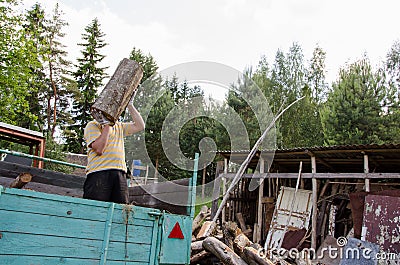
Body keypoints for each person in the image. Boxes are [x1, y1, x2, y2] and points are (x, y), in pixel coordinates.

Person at [83, 103, 145, 204]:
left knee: (120, 212)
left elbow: (140, 126)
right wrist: (106, 125)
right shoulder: (92, 125)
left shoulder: (119, 126)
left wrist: (130, 105)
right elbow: (99, 149)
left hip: (119, 173)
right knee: (95, 211)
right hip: (99, 173)